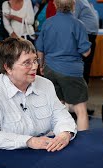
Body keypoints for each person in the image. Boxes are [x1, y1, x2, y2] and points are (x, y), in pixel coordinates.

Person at [0, 37, 76, 153]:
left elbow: (61, 116)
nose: (35, 67)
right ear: (8, 67)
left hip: (35, 153)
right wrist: (29, 141)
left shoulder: (45, 84)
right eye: (27, 63)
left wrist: (64, 134)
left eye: (35, 60)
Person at [36, 0, 91, 131]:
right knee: (81, 111)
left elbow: (40, 50)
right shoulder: (78, 24)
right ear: (73, 5)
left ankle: (57, 139)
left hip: (50, 69)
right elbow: (86, 53)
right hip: (71, 71)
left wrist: (41, 66)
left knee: (57, 108)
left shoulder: (47, 23)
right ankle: (84, 145)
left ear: (55, 4)